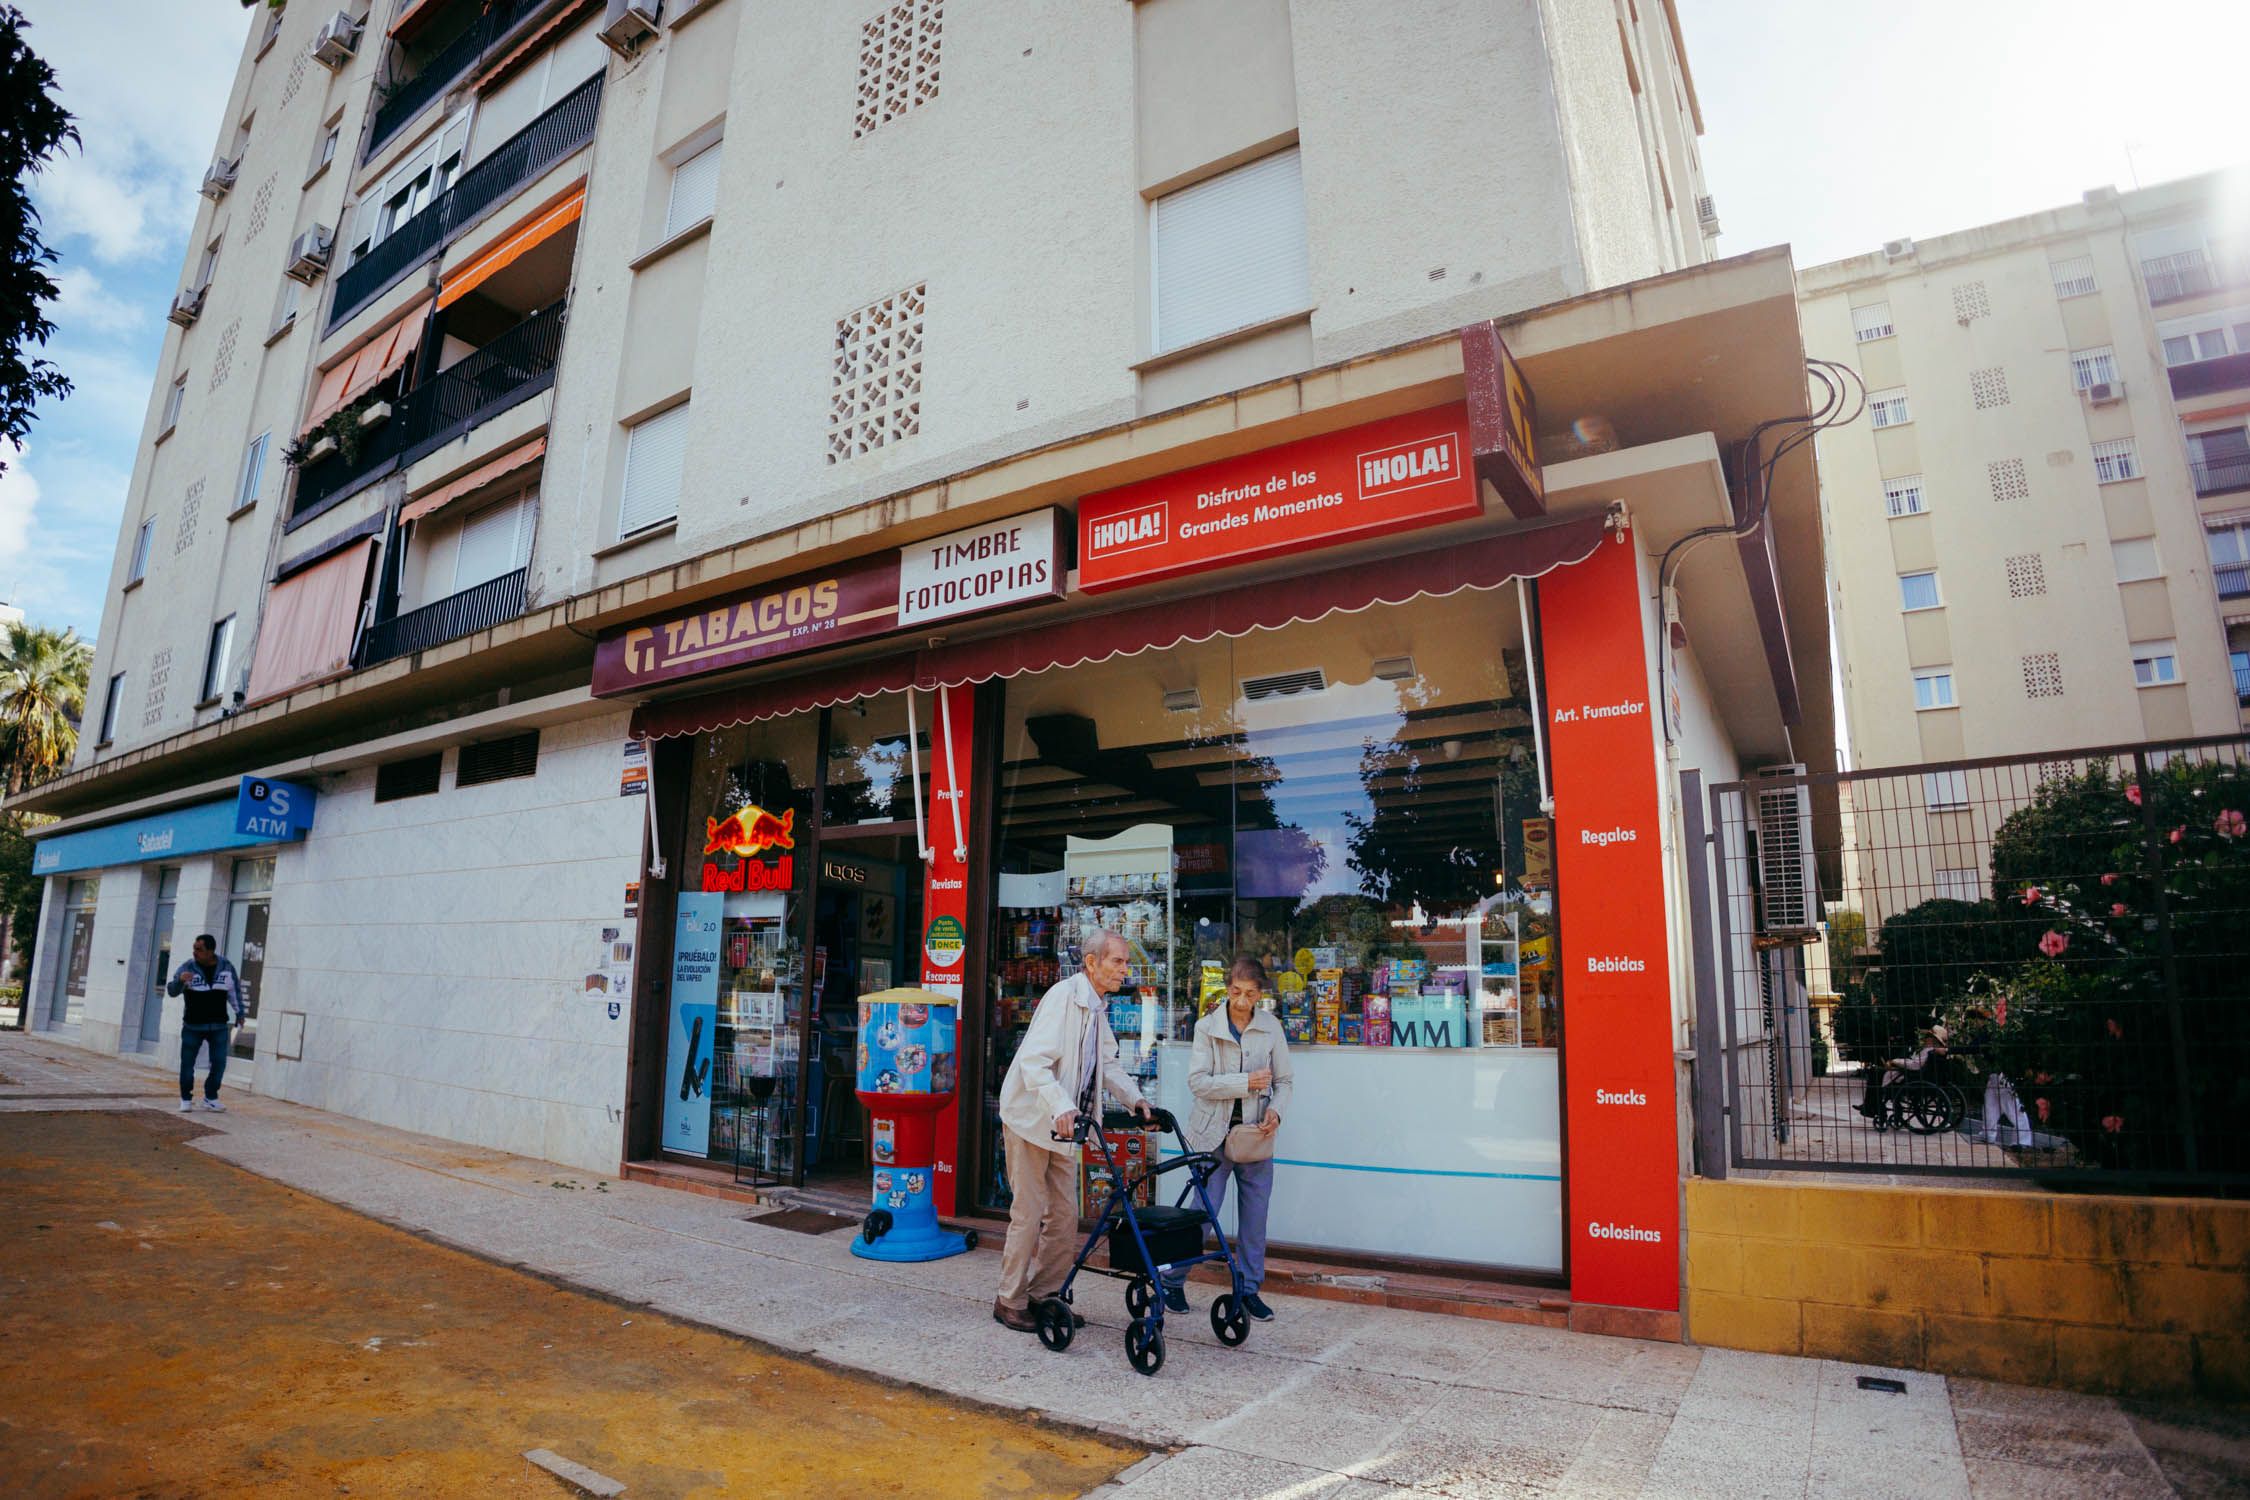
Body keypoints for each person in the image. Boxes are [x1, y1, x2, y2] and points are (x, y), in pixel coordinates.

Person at [992, 928, 1152, 1332]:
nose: (1124, 970)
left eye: (1126, 962)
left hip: (1067, 1127)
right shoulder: (1063, 997)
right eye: (1117, 961)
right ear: (1092, 962)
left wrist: (1136, 1100)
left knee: (1064, 1215)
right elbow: (1033, 1063)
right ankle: (1009, 1300)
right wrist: (1062, 1106)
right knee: (1028, 1214)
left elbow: (1110, 1064)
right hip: (1032, 1121)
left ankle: (1044, 1295)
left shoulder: (1097, 1008)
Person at [1163, 955, 1292, 1320]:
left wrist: (1277, 1111)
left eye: (1250, 994)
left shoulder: (1271, 1028)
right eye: (1236, 991)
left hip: (1255, 1136)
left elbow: (1285, 1081)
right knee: (1202, 1213)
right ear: (1227, 988)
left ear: (1259, 994)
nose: (1241, 1001)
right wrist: (1245, 1083)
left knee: (1255, 1218)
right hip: (1211, 1136)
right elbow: (1198, 1082)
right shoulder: (1207, 1027)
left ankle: (1249, 1289)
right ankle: (1173, 1282)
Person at [167, 935, 245, 1113]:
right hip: (192, 1026)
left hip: (218, 1026)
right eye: (194, 948)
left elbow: (235, 992)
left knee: (219, 1063)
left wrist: (240, 1013)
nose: (194, 952)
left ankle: (211, 1097)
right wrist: (180, 981)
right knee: (187, 1064)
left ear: (211, 951)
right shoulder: (187, 967)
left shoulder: (226, 967)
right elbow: (171, 991)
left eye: (199, 949)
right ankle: (185, 1098)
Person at [1858, 1023, 1947, 1121]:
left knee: (1875, 1075)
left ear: (1933, 1039)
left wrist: (1895, 1061)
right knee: (1877, 1073)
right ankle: (1869, 1105)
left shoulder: (1928, 1051)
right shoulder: (1932, 1051)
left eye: (1928, 1036)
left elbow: (1915, 1065)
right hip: (1916, 1075)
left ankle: (1871, 1107)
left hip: (1910, 1076)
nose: (1925, 1038)